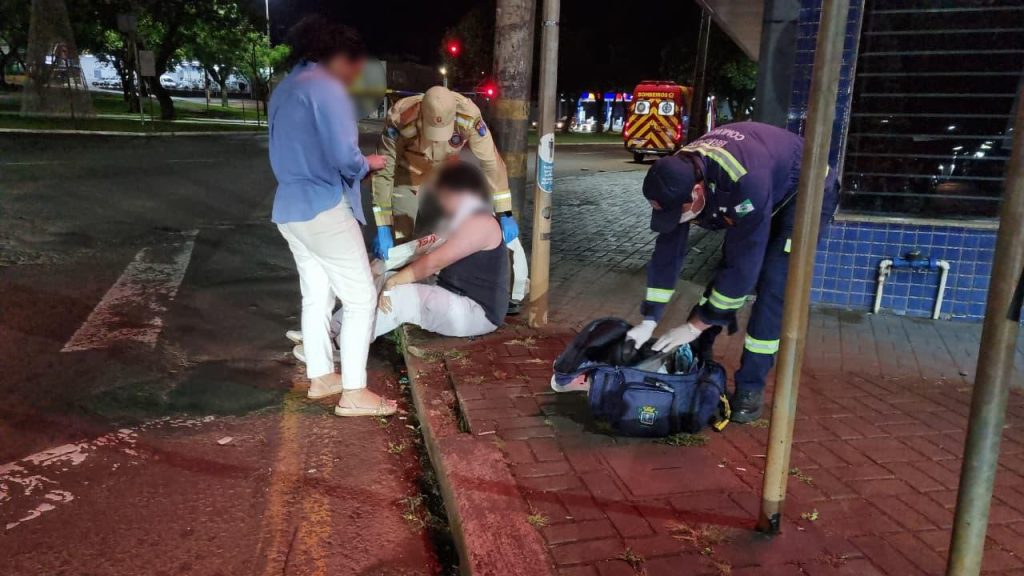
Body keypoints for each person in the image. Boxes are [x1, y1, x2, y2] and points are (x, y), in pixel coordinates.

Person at [626, 122, 838, 423]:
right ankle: (699, 349)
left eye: (681, 210)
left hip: (806, 192)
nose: (678, 218)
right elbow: (667, 252)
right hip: (768, 186)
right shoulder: (678, 173)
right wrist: (650, 318)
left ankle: (750, 387)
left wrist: (694, 325)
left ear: (698, 191)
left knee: (772, 284)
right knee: (730, 274)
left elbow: (744, 265)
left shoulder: (743, 181)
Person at [269, 15, 397, 418]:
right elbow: (344, 155)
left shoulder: (287, 87)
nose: (357, 74)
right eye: (355, 65)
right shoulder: (328, 90)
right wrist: (368, 162)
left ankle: (322, 376)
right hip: (322, 206)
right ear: (339, 57)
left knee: (317, 294)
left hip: (289, 208)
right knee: (361, 298)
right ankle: (355, 392)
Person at [289, 162, 509, 355]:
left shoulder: (481, 222)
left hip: (477, 312)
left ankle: (339, 347)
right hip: (453, 295)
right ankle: (329, 332)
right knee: (381, 275)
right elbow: (421, 248)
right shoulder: (461, 217)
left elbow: (434, 262)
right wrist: (382, 266)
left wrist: (393, 282)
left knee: (399, 296)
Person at [370, 86, 529, 311]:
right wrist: (383, 224)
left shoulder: (468, 116)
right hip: (408, 174)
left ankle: (500, 294)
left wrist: (504, 212)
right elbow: (383, 172)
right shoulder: (400, 118)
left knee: (449, 235)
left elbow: (492, 164)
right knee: (403, 239)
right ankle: (392, 299)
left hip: (444, 177)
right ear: (421, 114)